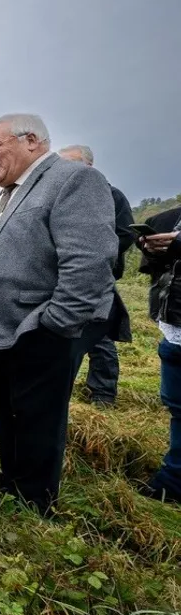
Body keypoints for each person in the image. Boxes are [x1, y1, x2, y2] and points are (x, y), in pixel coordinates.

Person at [0, 113, 116, 514]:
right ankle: (11, 479)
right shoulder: (11, 190)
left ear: (31, 140)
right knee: (10, 411)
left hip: (38, 329)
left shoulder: (73, 180)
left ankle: (34, 501)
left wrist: (52, 326)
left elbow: (88, 264)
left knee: (37, 417)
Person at [58, 144, 135, 407]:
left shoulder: (112, 196)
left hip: (99, 279)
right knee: (66, 334)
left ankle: (103, 392)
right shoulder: (61, 197)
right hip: (63, 278)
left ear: (88, 166)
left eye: (70, 163)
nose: (64, 170)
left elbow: (126, 234)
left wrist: (93, 259)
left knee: (98, 336)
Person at [135, 206, 181, 505]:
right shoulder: (172, 218)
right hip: (174, 325)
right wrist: (150, 248)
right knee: (177, 406)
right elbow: (154, 270)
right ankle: (174, 479)